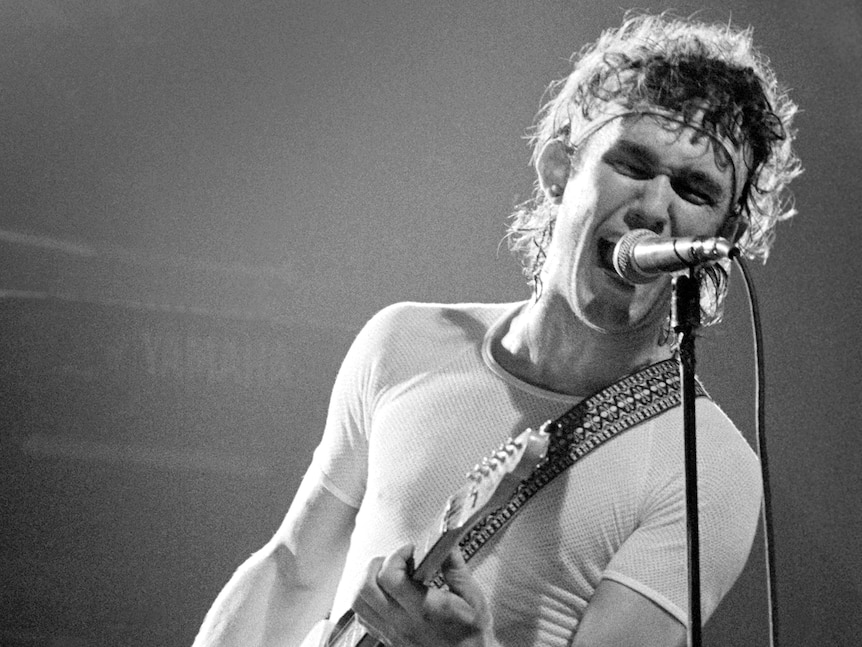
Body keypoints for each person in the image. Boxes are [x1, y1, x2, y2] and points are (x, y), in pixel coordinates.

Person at [192, 12, 801, 647]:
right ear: (560, 169)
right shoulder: (402, 344)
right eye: (633, 163)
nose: (653, 207)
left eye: (693, 189)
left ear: (719, 240)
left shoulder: (708, 469)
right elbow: (290, 572)